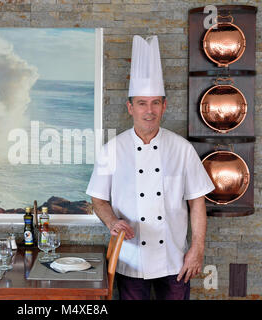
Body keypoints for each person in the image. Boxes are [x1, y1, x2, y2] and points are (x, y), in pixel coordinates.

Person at [86, 35, 215, 300]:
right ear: (130, 107)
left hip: (175, 259)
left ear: (164, 106)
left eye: (156, 102)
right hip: (131, 258)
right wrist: (112, 221)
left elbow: (197, 202)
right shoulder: (113, 149)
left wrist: (197, 249)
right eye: (142, 103)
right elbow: (98, 199)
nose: (149, 110)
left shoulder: (182, 148)